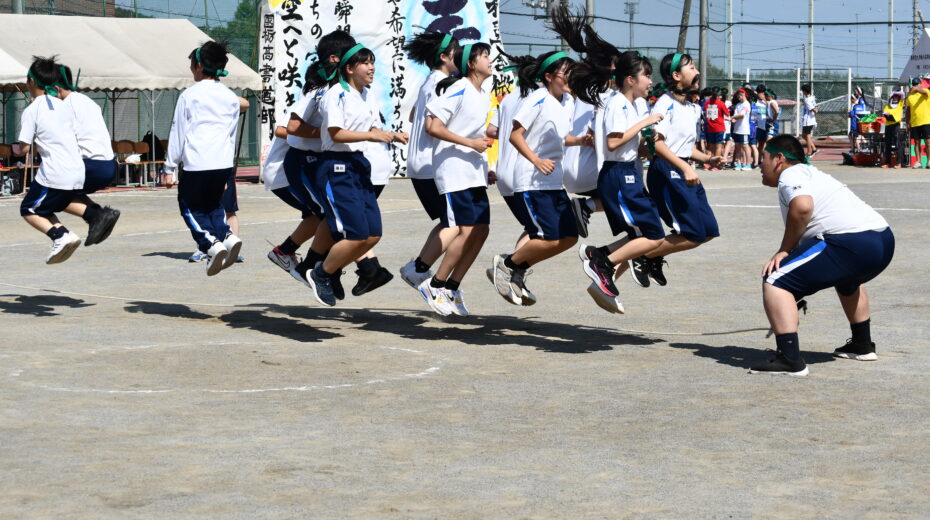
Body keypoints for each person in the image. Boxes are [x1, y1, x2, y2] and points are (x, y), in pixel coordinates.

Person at [751, 134, 894, 376]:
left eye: (762, 158)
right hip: (882, 239)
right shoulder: (811, 172)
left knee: (776, 280)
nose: (759, 165)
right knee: (847, 278)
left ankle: (789, 359)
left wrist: (784, 250)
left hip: (851, 242)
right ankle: (862, 344)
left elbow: (803, 207)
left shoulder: (791, 173)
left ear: (778, 159)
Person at [305, 40, 406, 306]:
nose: (372, 67)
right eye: (366, 62)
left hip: (359, 166)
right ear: (349, 68)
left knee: (373, 234)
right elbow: (336, 133)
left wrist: (393, 135)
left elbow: (373, 130)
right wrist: (376, 137)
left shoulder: (366, 95)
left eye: (372, 62)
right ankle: (321, 273)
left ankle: (328, 270)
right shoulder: (335, 94)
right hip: (336, 167)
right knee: (356, 234)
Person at [570, 50, 666, 314]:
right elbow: (613, 141)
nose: (649, 81)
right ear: (629, 79)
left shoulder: (631, 105)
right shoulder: (617, 103)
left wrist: (646, 144)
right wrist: (644, 123)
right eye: (646, 75)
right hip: (618, 175)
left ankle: (599, 255)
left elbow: (625, 141)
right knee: (653, 235)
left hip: (628, 173)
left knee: (644, 234)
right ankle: (602, 262)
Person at [490, 49, 588, 306]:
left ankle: (518, 267)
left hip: (554, 181)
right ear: (548, 76)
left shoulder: (564, 102)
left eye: (571, 71)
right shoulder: (537, 98)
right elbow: (515, 135)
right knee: (548, 238)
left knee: (568, 237)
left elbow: (561, 137)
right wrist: (535, 160)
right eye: (565, 72)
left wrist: (580, 140)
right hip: (532, 181)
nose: (570, 76)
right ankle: (508, 263)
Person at [626, 53, 723, 287]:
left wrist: (710, 158)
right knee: (694, 233)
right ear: (677, 76)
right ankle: (642, 254)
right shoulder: (664, 103)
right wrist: (684, 167)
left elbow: (686, 148)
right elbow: (656, 144)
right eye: (691, 68)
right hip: (667, 170)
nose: (698, 71)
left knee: (709, 230)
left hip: (682, 167)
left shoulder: (691, 107)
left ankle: (652, 255)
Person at [420, 42, 494, 316]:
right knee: (465, 230)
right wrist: (469, 143)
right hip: (453, 171)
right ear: (471, 64)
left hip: (473, 171)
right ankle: (434, 284)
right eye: (484, 56)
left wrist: (486, 163)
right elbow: (432, 126)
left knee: (481, 230)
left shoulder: (481, 93)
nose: (490, 59)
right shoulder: (458, 87)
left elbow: (475, 129)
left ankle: (452, 286)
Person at [166, 41, 249, 276]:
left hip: (197, 162)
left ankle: (209, 245)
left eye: (192, 65)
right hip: (223, 162)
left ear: (199, 66)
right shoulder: (231, 98)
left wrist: (169, 166)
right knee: (213, 205)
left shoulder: (190, 95)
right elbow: (231, 133)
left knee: (189, 207)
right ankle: (228, 237)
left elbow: (178, 131)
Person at [398, 31, 460, 291]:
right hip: (431, 165)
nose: (463, 55)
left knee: (450, 222)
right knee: (457, 224)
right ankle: (419, 269)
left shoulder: (431, 81)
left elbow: (414, 115)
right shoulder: (441, 84)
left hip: (422, 164)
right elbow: (429, 123)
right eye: (457, 51)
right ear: (445, 57)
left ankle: (417, 268)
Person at [18, 56, 86, 264]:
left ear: (31, 81)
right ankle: (63, 234)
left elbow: (24, 149)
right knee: (44, 209)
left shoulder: (32, 110)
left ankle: (60, 236)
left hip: (55, 171)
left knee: (28, 209)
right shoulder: (65, 106)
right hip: (77, 170)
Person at [54, 64, 121, 246]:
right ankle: (97, 215)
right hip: (107, 163)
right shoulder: (86, 101)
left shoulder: (63, 107)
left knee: (50, 194)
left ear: (56, 88)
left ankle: (97, 215)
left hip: (90, 164)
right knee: (71, 191)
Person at [905, 77, 930, 167]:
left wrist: (917, 89)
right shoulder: (910, 96)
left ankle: (929, 161)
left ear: (921, 84)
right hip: (915, 122)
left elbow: (925, 92)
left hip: (926, 121)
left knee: (928, 142)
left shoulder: (926, 92)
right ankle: (918, 161)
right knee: (916, 142)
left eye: (917, 84)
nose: (915, 86)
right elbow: (908, 110)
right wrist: (907, 122)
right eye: (914, 85)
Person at [702, 88, 729, 170]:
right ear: (719, 95)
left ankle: (712, 164)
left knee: (712, 146)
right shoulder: (721, 103)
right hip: (719, 127)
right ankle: (716, 165)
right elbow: (727, 114)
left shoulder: (706, 103)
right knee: (718, 146)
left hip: (710, 128)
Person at [881, 90, 905, 169]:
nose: (896, 97)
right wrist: (887, 114)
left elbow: (903, 95)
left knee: (897, 144)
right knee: (887, 144)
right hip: (888, 125)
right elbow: (884, 113)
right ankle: (888, 163)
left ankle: (899, 163)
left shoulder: (900, 103)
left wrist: (896, 92)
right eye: (894, 96)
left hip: (896, 126)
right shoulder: (887, 105)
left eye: (897, 96)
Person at [730, 88, 751, 171]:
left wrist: (732, 117)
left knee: (745, 146)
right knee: (738, 147)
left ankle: (748, 164)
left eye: (741, 95)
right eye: (738, 95)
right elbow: (736, 116)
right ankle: (738, 163)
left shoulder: (747, 104)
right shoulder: (738, 104)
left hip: (744, 130)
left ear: (745, 95)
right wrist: (732, 119)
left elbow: (742, 115)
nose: (739, 97)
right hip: (736, 129)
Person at [799, 83, 818, 156]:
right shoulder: (812, 97)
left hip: (808, 120)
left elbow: (814, 110)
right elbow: (816, 107)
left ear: (805, 91)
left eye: (803, 91)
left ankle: (809, 151)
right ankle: (814, 148)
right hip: (811, 119)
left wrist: (814, 110)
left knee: (807, 136)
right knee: (804, 136)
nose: (802, 92)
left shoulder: (807, 100)